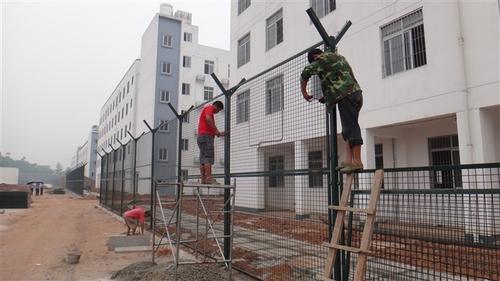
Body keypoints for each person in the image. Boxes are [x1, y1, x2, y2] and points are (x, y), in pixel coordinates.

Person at [301, 48, 364, 173]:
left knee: (352, 128)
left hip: (346, 96)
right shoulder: (339, 57)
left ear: (314, 57)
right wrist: (327, 97)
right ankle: (348, 161)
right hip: (356, 95)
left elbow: (305, 73)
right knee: (347, 129)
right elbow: (340, 77)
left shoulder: (320, 59)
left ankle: (357, 162)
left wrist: (304, 93)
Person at [197, 101, 225, 184]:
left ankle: (203, 179)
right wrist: (216, 130)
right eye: (219, 110)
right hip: (206, 137)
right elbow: (208, 118)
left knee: (203, 159)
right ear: (217, 107)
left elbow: (208, 124)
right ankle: (209, 178)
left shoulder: (206, 109)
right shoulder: (210, 108)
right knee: (208, 158)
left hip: (202, 137)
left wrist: (218, 133)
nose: (217, 112)